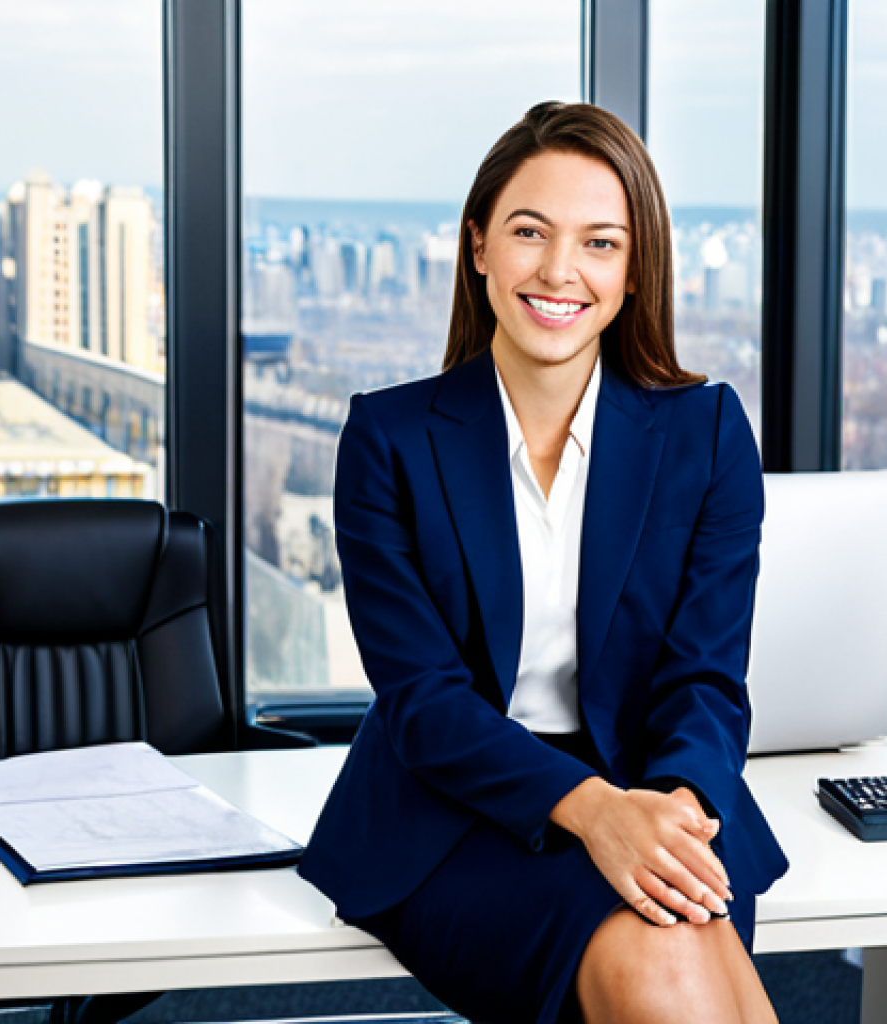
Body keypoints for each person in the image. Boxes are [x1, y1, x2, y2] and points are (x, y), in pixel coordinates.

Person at [298, 101, 789, 1024]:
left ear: (636, 270)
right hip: (451, 814)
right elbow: (424, 705)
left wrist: (670, 810)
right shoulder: (390, 439)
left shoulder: (709, 434)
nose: (561, 271)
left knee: (670, 931)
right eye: (530, 232)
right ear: (478, 245)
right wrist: (594, 811)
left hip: (653, 791)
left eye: (601, 243)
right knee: (661, 952)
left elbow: (707, 680)